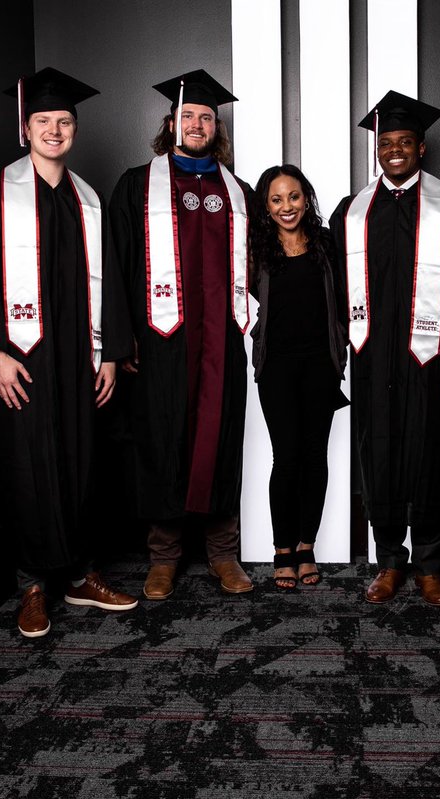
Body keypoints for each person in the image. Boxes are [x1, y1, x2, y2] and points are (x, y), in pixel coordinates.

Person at [0, 68, 138, 639]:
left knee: (81, 461)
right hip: (24, 355)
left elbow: (110, 279)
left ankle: (80, 575)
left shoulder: (88, 199)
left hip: (79, 358)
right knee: (27, 464)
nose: (55, 130)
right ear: (26, 127)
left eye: (64, 121)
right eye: (44, 121)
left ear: (75, 130)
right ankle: (32, 585)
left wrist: (112, 352)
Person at [330, 91, 440, 607]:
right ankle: (390, 561)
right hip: (373, 359)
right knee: (381, 457)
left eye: (405, 142)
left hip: (432, 358)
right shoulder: (351, 212)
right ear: (378, 149)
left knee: (432, 454)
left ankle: (431, 564)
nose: (395, 150)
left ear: (421, 147)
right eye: (386, 143)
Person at [109, 69, 255, 600]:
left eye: (207, 118)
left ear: (217, 128)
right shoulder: (136, 185)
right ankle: (164, 557)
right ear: (171, 122)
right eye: (188, 115)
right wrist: (120, 341)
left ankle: (223, 553)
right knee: (163, 439)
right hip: (160, 340)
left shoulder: (238, 191)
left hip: (221, 340)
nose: (197, 124)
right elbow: (116, 265)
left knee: (220, 439)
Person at [249, 165, 348, 590]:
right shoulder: (256, 249)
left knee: (315, 456)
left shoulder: (327, 244)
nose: (286, 206)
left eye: (293, 196)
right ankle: (282, 550)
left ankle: (306, 546)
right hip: (276, 366)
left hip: (321, 363)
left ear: (305, 198)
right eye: (276, 199)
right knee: (285, 457)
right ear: (266, 207)